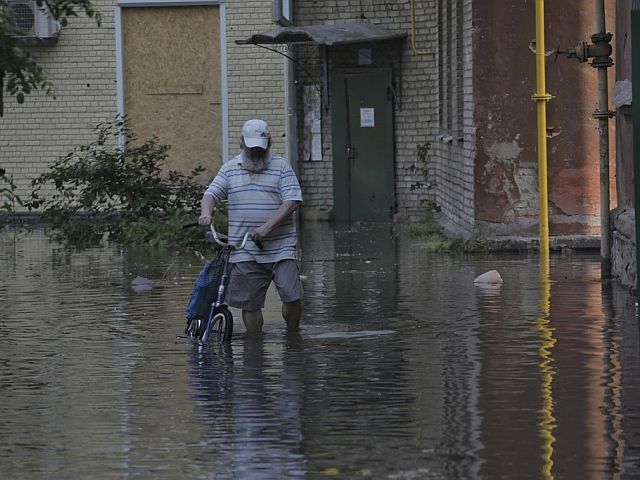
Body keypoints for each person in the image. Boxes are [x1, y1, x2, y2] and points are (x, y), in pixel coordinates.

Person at [198, 119, 303, 335]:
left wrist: (266, 229)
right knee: (249, 303)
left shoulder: (281, 166)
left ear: (269, 143)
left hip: (281, 246)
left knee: (291, 295)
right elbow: (210, 194)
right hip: (244, 249)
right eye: (251, 146)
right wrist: (206, 213)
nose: (255, 150)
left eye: (259, 147)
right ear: (242, 143)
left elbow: (292, 202)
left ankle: (293, 335)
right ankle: (255, 343)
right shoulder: (230, 169)